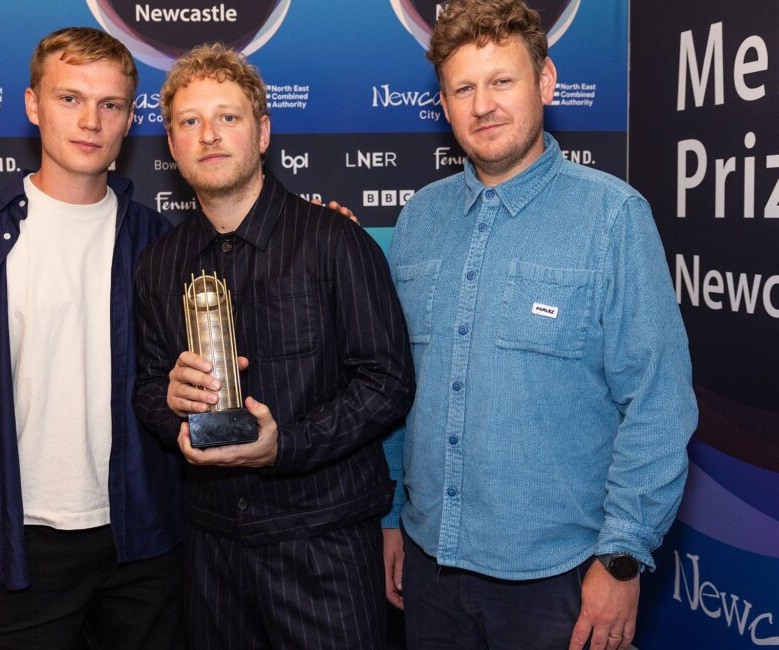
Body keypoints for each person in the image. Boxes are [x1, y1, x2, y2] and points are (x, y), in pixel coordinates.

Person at [386, 1, 698, 649]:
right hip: (428, 565)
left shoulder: (612, 217)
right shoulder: (418, 220)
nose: (483, 105)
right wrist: (390, 516)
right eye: (463, 89)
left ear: (546, 82)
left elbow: (658, 404)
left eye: (502, 81)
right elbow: (395, 389)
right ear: (443, 105)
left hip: (562, 582)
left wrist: (621, 559)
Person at [0, 28, 184, 648]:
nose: (90, 121)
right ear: (33, 105)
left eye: (110, 104)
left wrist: (319, 234)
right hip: (16, 546)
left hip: (144, 542)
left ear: (130, 118)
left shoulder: (159, 241)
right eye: (69, 98)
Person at [132, 43, 416, 649]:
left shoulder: (335, 241)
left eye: (227, 117)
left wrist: (285, 445)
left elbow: (388, 381)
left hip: (324, 548)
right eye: (190, 121)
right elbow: (148, 390)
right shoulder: (158, 264)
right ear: (172, 144)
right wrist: (171, 406)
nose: (209, 134)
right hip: (211, 553)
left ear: (262, 132)